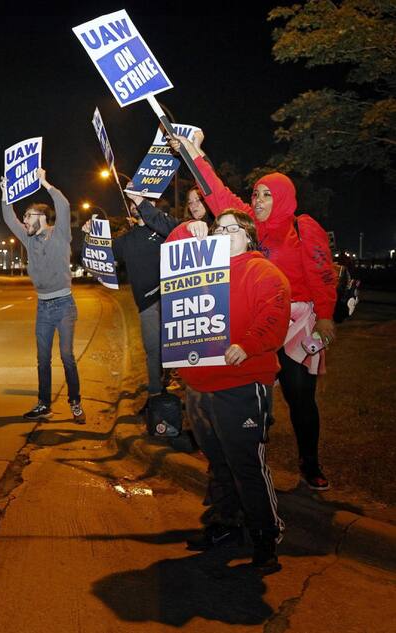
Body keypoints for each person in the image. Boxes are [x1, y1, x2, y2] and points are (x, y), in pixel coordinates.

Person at [170, 133, 337, 491]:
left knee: (299, 395)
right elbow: (216, 192)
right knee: (253, 388)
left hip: (297, 323)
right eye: (256, 194)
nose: (258, 201)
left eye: (267, 195)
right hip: (253, 320)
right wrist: (192, 152)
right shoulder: (246, 224)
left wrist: (325, 318)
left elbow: (323, 275)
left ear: (284, 199)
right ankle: (252, 453)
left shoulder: (302, 228)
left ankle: (310, 463)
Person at [170, 210, 290, 574]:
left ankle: (266, 537)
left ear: (249, 237)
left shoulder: (263, 272)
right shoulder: (202, 270)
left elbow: (275, 316)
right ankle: (225, 525)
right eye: (218, 228)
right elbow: (172, 258)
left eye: (231, 228)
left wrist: (249, 343)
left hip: (241, 383)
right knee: (218, 462)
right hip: (200, 387)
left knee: (246, 464)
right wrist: (187, 230)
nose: (223, 232)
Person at [0, 168, 84, 422]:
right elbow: (8, 219)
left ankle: (75, 401)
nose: (24, 221)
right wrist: (6, 194)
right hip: (43, 308)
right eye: (24, 216)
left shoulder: (60, 233)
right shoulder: (29, 241)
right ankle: (43, 404)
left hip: (64, 305)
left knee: (67, 356)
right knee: (42, 359)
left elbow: (64, 203)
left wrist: (45, 182)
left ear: (42, 217)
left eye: (28, 216)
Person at [81, 191, 178, 403]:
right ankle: (155, 395)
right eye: (133, 201)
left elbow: (176, 229)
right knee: (153, 350)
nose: (136, 203)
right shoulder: (127, 240)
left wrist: (143, 202)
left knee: (176, 348)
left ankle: (174, 384)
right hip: (147, 303)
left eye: (143, 200)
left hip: (174, 298)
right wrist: (90, 234)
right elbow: (101, 254)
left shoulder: (166, 229)